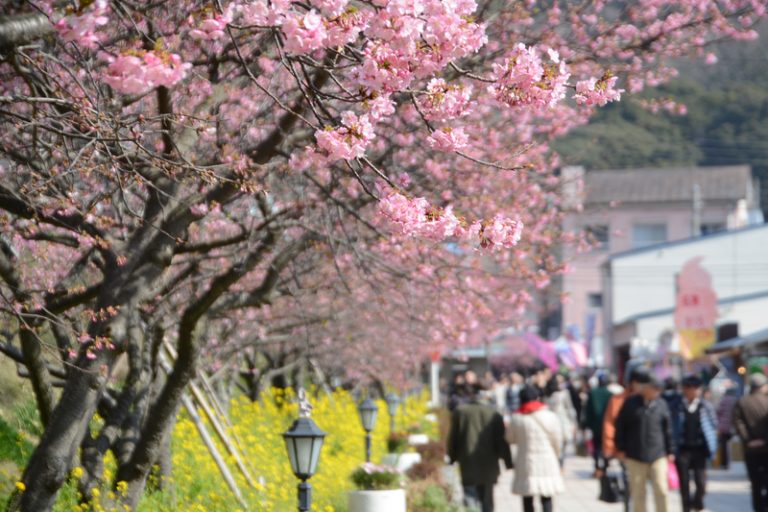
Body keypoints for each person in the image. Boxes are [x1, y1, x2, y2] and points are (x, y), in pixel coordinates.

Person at [447, 383, 513, 512]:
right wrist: (508, 462)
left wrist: (452, 457)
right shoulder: (494, 414)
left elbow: (453, 438)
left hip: (467, 460)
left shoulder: (460, 412)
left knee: (470, 497)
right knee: (487, 499)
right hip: (489, 463)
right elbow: (502, 441)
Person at [615, 374, 674, 512]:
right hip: (635, 455)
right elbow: (620, 427)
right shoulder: (630, 403)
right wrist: (621, 448)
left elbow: (668, 430)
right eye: (654, 388)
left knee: (662, 490)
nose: (656, 392)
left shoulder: (661, 404)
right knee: (638, 494)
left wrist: (670, 450)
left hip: (658, 454)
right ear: (645, 388)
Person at [507, 385, 565, 512]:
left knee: (527, 496)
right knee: (547, 495)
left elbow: (510, 439)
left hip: (526, 461)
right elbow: (558, 440)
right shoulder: (550, 416)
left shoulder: (517, 418)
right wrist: (557, 455)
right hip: (547, 459)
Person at [673, 375, 718, 512]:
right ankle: (686, 508)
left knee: (701, 483)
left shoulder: (705, 406)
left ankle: (697, 503)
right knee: (684, 483)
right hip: (682, 450)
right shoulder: (677, 406)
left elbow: (713, 424)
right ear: (685, 390)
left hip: (700, 449)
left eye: (698, 388)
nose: (696, 391)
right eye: (692, 388)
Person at [732, 372, 768, 512]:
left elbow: (737, 423)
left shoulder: (741, 402)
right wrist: (764, 441)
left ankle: (758, 508)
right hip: (766, 450)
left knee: (755, 484)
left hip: (750, 450)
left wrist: (748, 440)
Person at [545, 374, 577, 468]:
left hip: (552, 423)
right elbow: (570, 409)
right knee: (561, 444)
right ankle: (559, 463)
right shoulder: (563, 393)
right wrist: (573, 422)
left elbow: (569, 408)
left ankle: (557, 462)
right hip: (561, 422)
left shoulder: (548, 395)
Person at [584, 373, 612, 476]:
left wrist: (586, 424)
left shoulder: (592, 393)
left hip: (595, 425)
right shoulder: (610, 394)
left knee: (596, 447)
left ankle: (597, 467)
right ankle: (604, 467)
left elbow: (588, 410)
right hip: (607, 426)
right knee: (605, 447)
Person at [715, 385, 739, 469]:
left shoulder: (722, 401)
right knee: (734, 445)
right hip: (733, 427)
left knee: (723, 446)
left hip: (723, 427)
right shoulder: (736, 401)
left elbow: (717, 413)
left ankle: (724, 464)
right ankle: (733, 462)